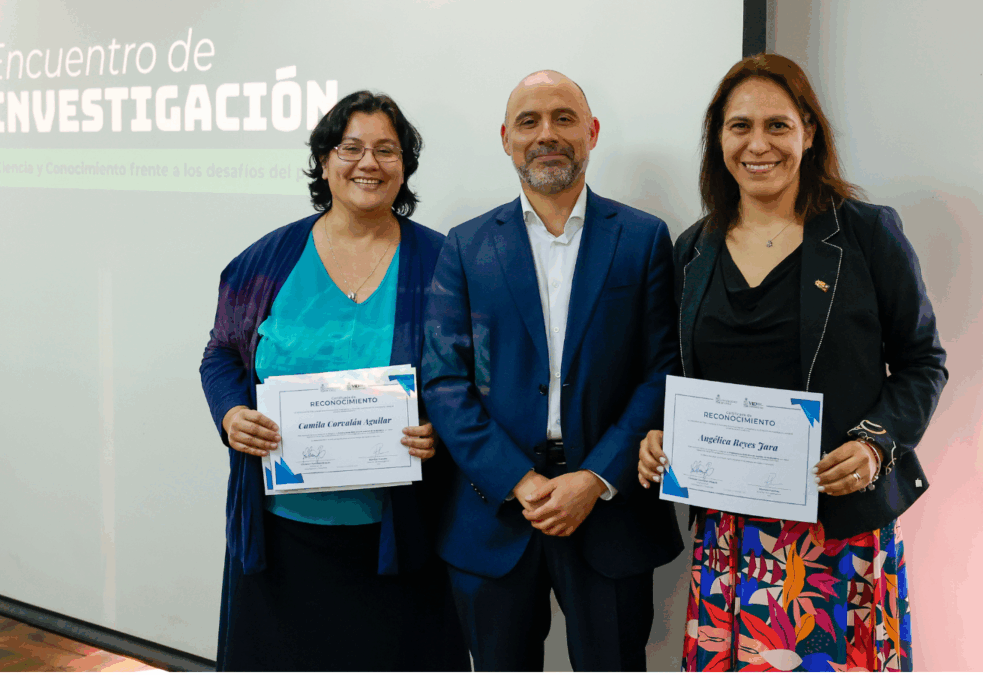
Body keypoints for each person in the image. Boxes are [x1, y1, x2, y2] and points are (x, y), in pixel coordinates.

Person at [638, 54, 947, 672]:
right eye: (739, 126)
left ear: (808, 130)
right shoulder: (693, 250)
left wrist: (872, 447)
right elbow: (682, 374)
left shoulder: (864, 234)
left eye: (777, 125)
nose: (758, 144)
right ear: (717, 139)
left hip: (836, 534)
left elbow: (923, 362)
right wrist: (661, 434)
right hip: (733, 538)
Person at [421, 70, 684, 671]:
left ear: (591, 133)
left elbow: (661, 370)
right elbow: (444, 380)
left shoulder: (643, 239)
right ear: (506, 138)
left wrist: (594, 478)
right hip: (493, 512)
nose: (547, 134)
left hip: (608, 509)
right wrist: (518, 479)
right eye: (529, 121)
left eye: (564, 118)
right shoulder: (464, 246)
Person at [199, 90, 468, 672]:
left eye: (386, 150)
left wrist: (440, 432)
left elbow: (476, 378)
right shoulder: (268, 260)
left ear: (405, 166)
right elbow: (221, 353)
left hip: (397, 543)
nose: (368, 163)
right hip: (282, 544)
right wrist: (229, 413)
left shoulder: (443, 263)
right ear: (325, 160)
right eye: (351, 147)